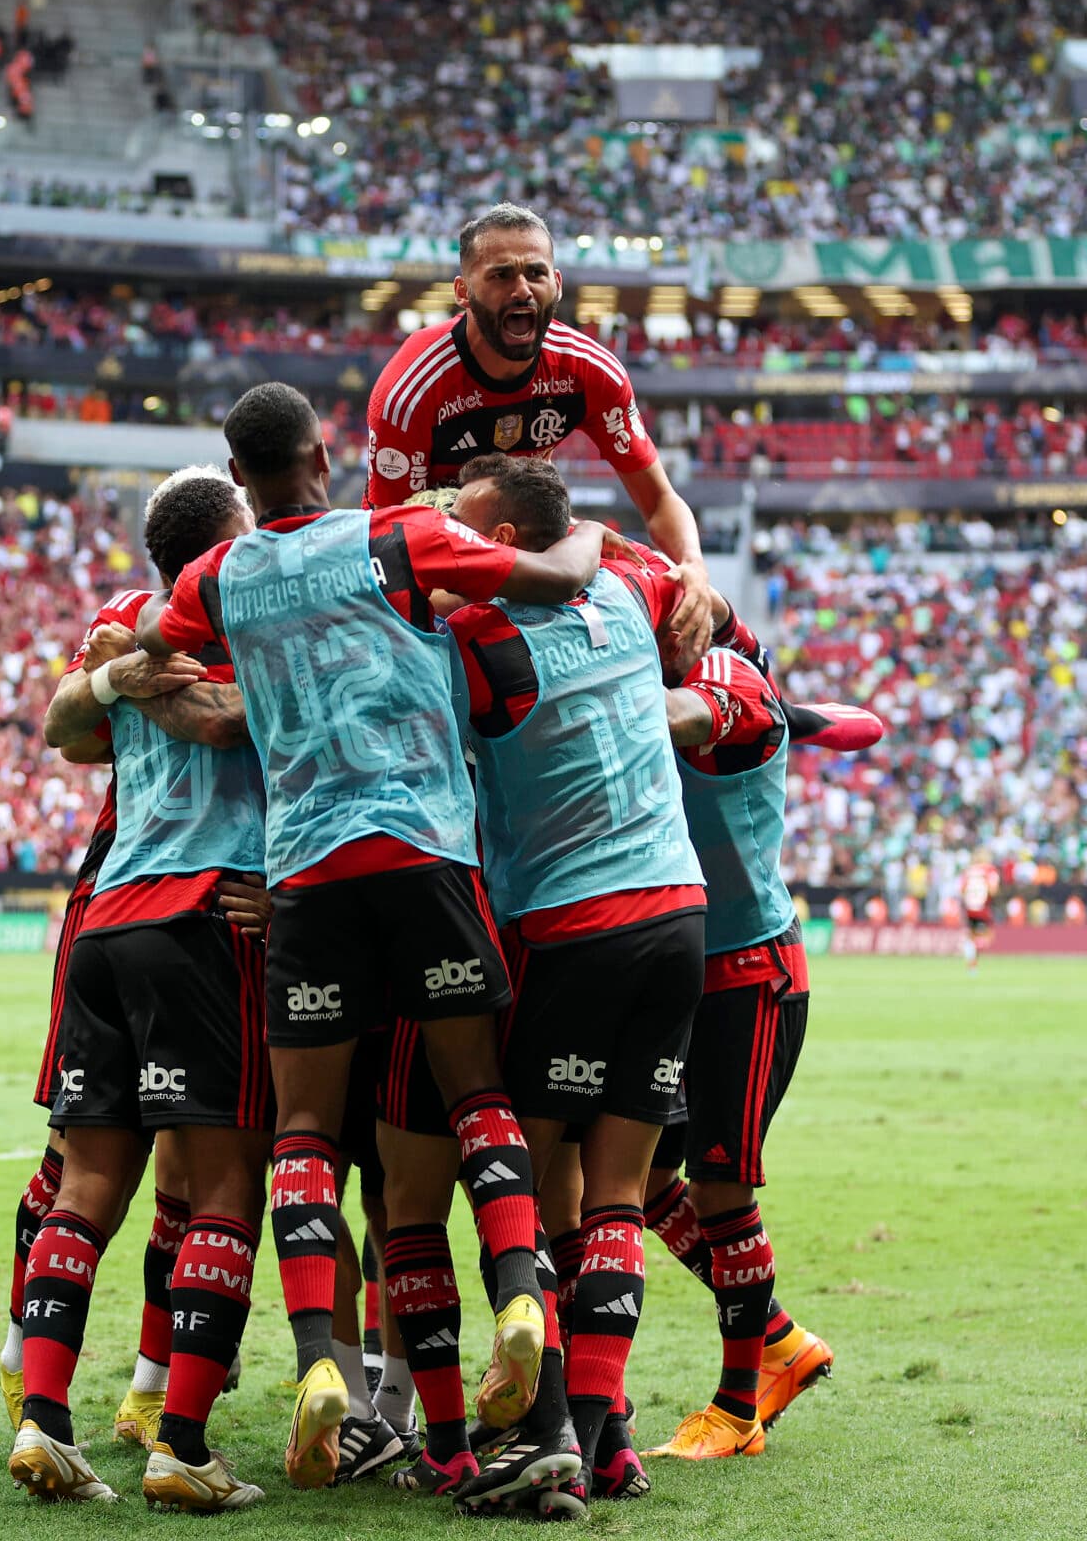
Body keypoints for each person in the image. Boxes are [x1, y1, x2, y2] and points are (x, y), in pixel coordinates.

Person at [139, 383, 607, 1503]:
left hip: (305, 873)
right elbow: (557, 577)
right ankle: (521, 1299)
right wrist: (592, 533)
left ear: (240, 476)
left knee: (304, 1124)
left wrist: (236, 703)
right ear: (320, 451)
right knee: (475, 1090)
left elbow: (157, 657)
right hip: (424, 853)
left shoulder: (217, 574)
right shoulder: (398, 533)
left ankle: (318, 1363)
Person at [422, 455, 706, 1508]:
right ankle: (605, 1438)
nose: (448, 536)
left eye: (463, 523)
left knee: (533, 1190)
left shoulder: (480, 639)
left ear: (503, 536)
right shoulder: (628, 590)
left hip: (573, 925)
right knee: (617, 1196)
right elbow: (681, 586)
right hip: (678, 909)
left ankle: (550, 1440)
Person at [10, 468, 276, 1511]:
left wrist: (128, 675)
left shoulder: (125, 620)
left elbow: (66, 718)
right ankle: (183, 1443)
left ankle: (45, 1423)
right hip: (207, 912)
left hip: (107, 916)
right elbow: (242, 723)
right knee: (221, 1191)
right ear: (225, 545)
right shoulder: (255, 612)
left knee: (88, 1189)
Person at [637, 640, 884, 1461]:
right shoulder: (722, 695)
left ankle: (738, 1407)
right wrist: (800, 716)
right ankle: (779, 1335)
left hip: (748, 973)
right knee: (641, 1179)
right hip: (679, 964)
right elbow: (853, 724)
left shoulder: (717, 698)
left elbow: (860, 724)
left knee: (720, 1187)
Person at [363, 203, 718, 667]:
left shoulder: (588, 370)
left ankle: (763, 690)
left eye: (535, 272)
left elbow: (658, 500)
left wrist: (693, 564)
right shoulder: (412, 388)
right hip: (437, 560)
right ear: (463, 292)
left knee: (675, 589)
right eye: (501, 275)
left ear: (557, 284)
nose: (521, 289)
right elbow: (391, 546)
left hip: (532, 540)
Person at [959, 858, 998, 971]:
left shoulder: (968, 871)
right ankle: (974, 962)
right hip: (982, 907)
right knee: (986, 934)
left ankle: (972, 962)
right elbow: (992, 890)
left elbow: (962, 889)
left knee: (971, 936)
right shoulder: (989, 871)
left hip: (969, 907)